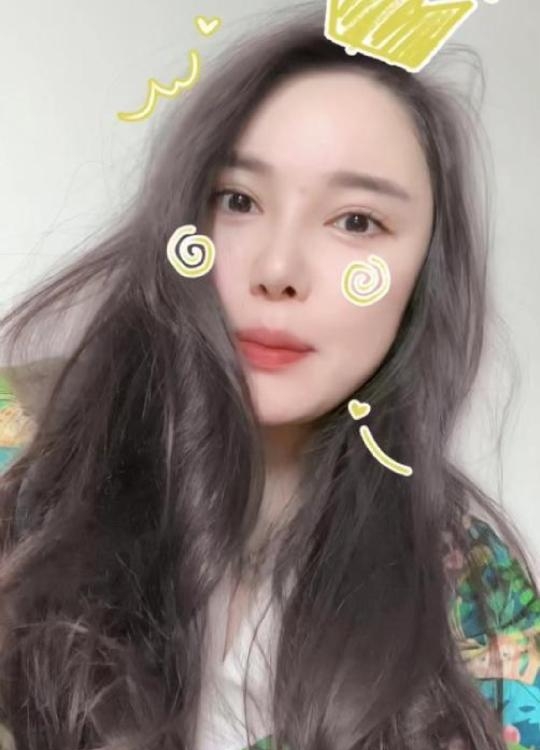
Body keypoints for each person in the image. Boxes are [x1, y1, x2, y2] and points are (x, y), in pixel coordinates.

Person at [0, 3, 538, 749]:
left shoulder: (477, 598)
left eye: (357, 221)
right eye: (239, 201)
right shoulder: (22, 454)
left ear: (425, 275)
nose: (278, 269)